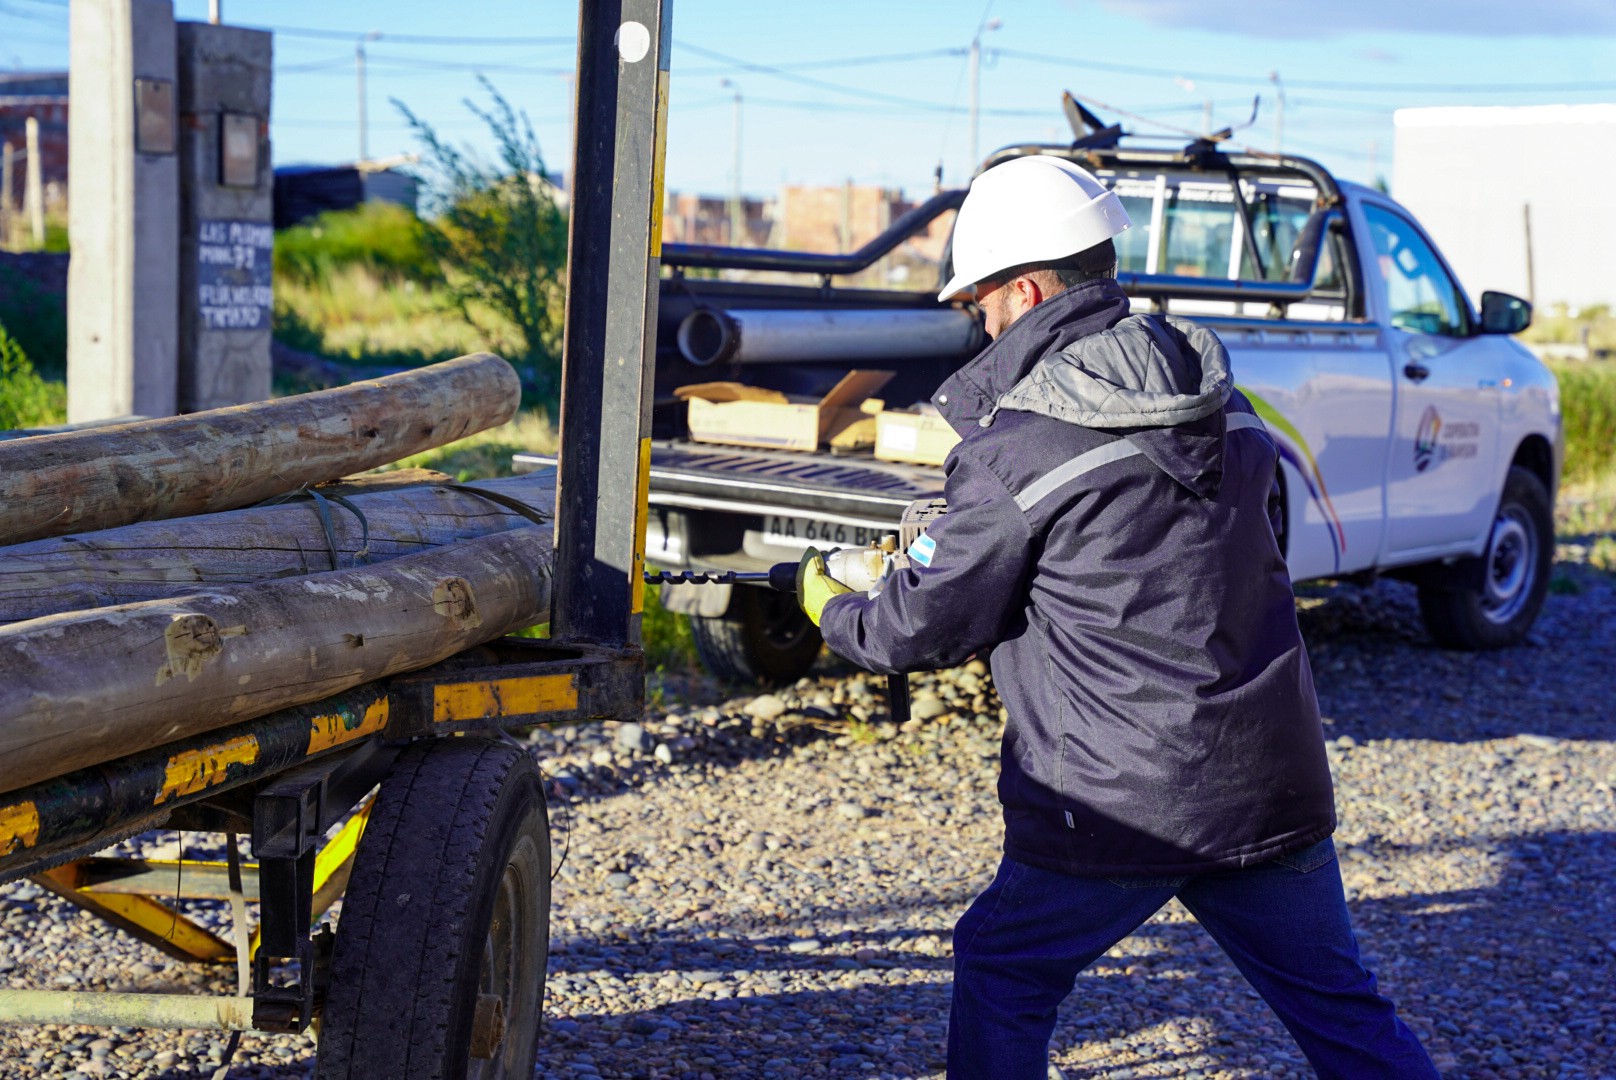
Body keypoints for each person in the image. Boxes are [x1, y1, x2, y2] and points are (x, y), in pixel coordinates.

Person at [795, 155, 1438, 1080]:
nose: (976, 323)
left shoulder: (1017, 449)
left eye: (979, 301)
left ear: (1024, 288)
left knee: (1004, 970)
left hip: (1118, 803)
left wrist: (832, 600)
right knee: (1342, 1011)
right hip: (1269, 778)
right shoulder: (1232, 407)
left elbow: (917, 631)